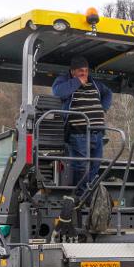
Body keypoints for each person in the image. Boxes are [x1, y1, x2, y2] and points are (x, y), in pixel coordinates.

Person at [51, 55, 113, 194]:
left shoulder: (94, 83)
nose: (84, 73)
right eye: (80, 71)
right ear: (72, 72)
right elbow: (58, 93)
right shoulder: (64, 81)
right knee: (81, 165)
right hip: (78, 132)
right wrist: (77, 81)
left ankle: (87, 191)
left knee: (96, 163)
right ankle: (81, 193)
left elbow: (108, 92)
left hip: (97, 132)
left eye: (85, 70)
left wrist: (103, 107)